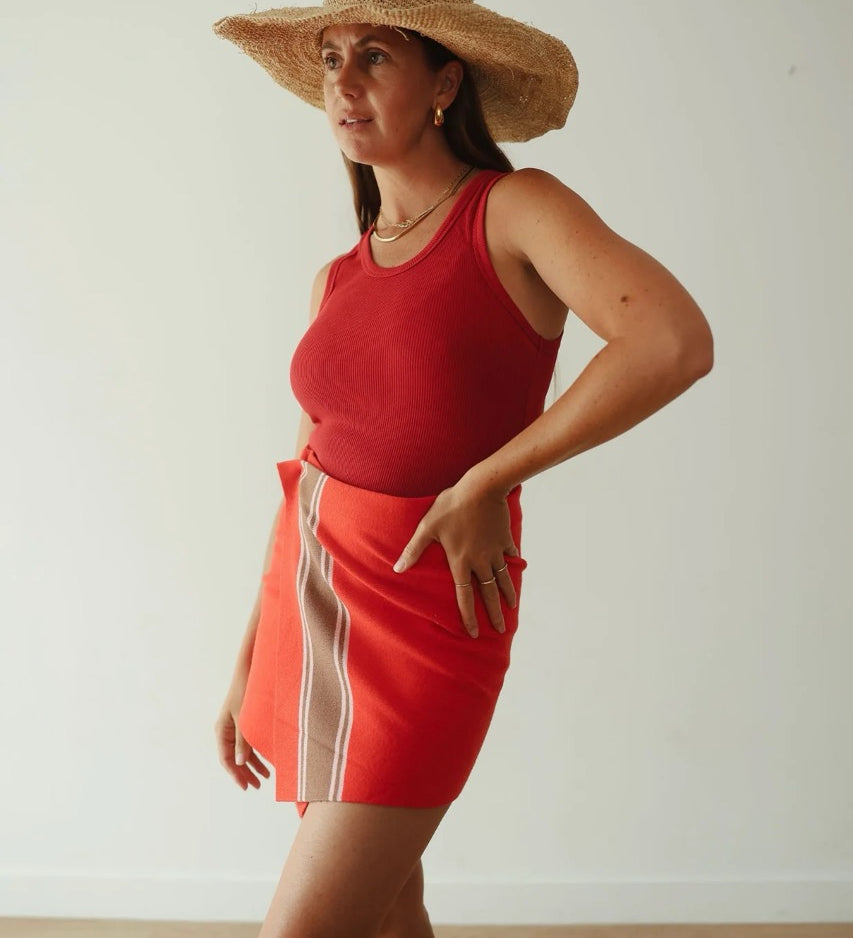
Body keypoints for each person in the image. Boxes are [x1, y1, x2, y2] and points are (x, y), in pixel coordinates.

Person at [211, 1, 714, 935]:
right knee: (389, 911)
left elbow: (670, 341)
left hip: (424, 611)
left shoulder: (512, 210)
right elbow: (303, 475)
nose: (343, 81)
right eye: (330, 58)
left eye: (375, 56)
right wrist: (248, 660)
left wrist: (487, 479)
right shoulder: (338, 276)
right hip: (312, 604)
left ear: (445, 83)